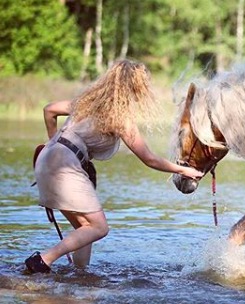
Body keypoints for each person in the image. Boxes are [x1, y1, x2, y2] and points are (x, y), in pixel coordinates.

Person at [25, 59, 202, 274]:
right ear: (136, 88)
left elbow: (49, 110)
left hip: (47, 159)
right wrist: (184, 170)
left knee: (84, 229)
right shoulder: (120, 119)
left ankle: (80, 275)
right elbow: (149, 159)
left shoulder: (85, 102)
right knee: (99, 227)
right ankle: (43, 260)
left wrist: (54, 142)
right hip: (66, 164)